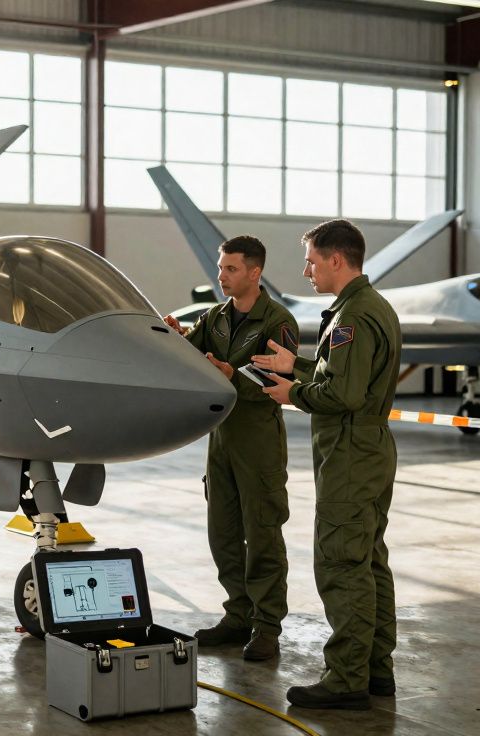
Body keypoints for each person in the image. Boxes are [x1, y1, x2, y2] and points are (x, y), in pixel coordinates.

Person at [252, 219, 401, 711]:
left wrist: (292, 393)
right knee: (369, 560)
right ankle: (376, 669)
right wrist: (291, 366)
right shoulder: (372, 307)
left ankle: (346, 678)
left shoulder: (352, 318)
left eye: (313, 260)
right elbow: (344, 375)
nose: (307, 270)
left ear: (337, 259)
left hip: (350, 455)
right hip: (371, 448)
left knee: (342, 564)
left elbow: (342, 392)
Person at [163, 236, 298, 661]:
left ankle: (267, 626)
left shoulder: (278, 322)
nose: (221, 276)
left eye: (231, 269)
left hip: (257, 441)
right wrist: (172, 337)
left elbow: (278, 385)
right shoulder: (215, 317)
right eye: (221, 268)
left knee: (262, 536)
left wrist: (230, 375)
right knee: (223, 534)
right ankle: (237, 615)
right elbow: (190, 353)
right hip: (220, 440)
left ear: (255, 273)